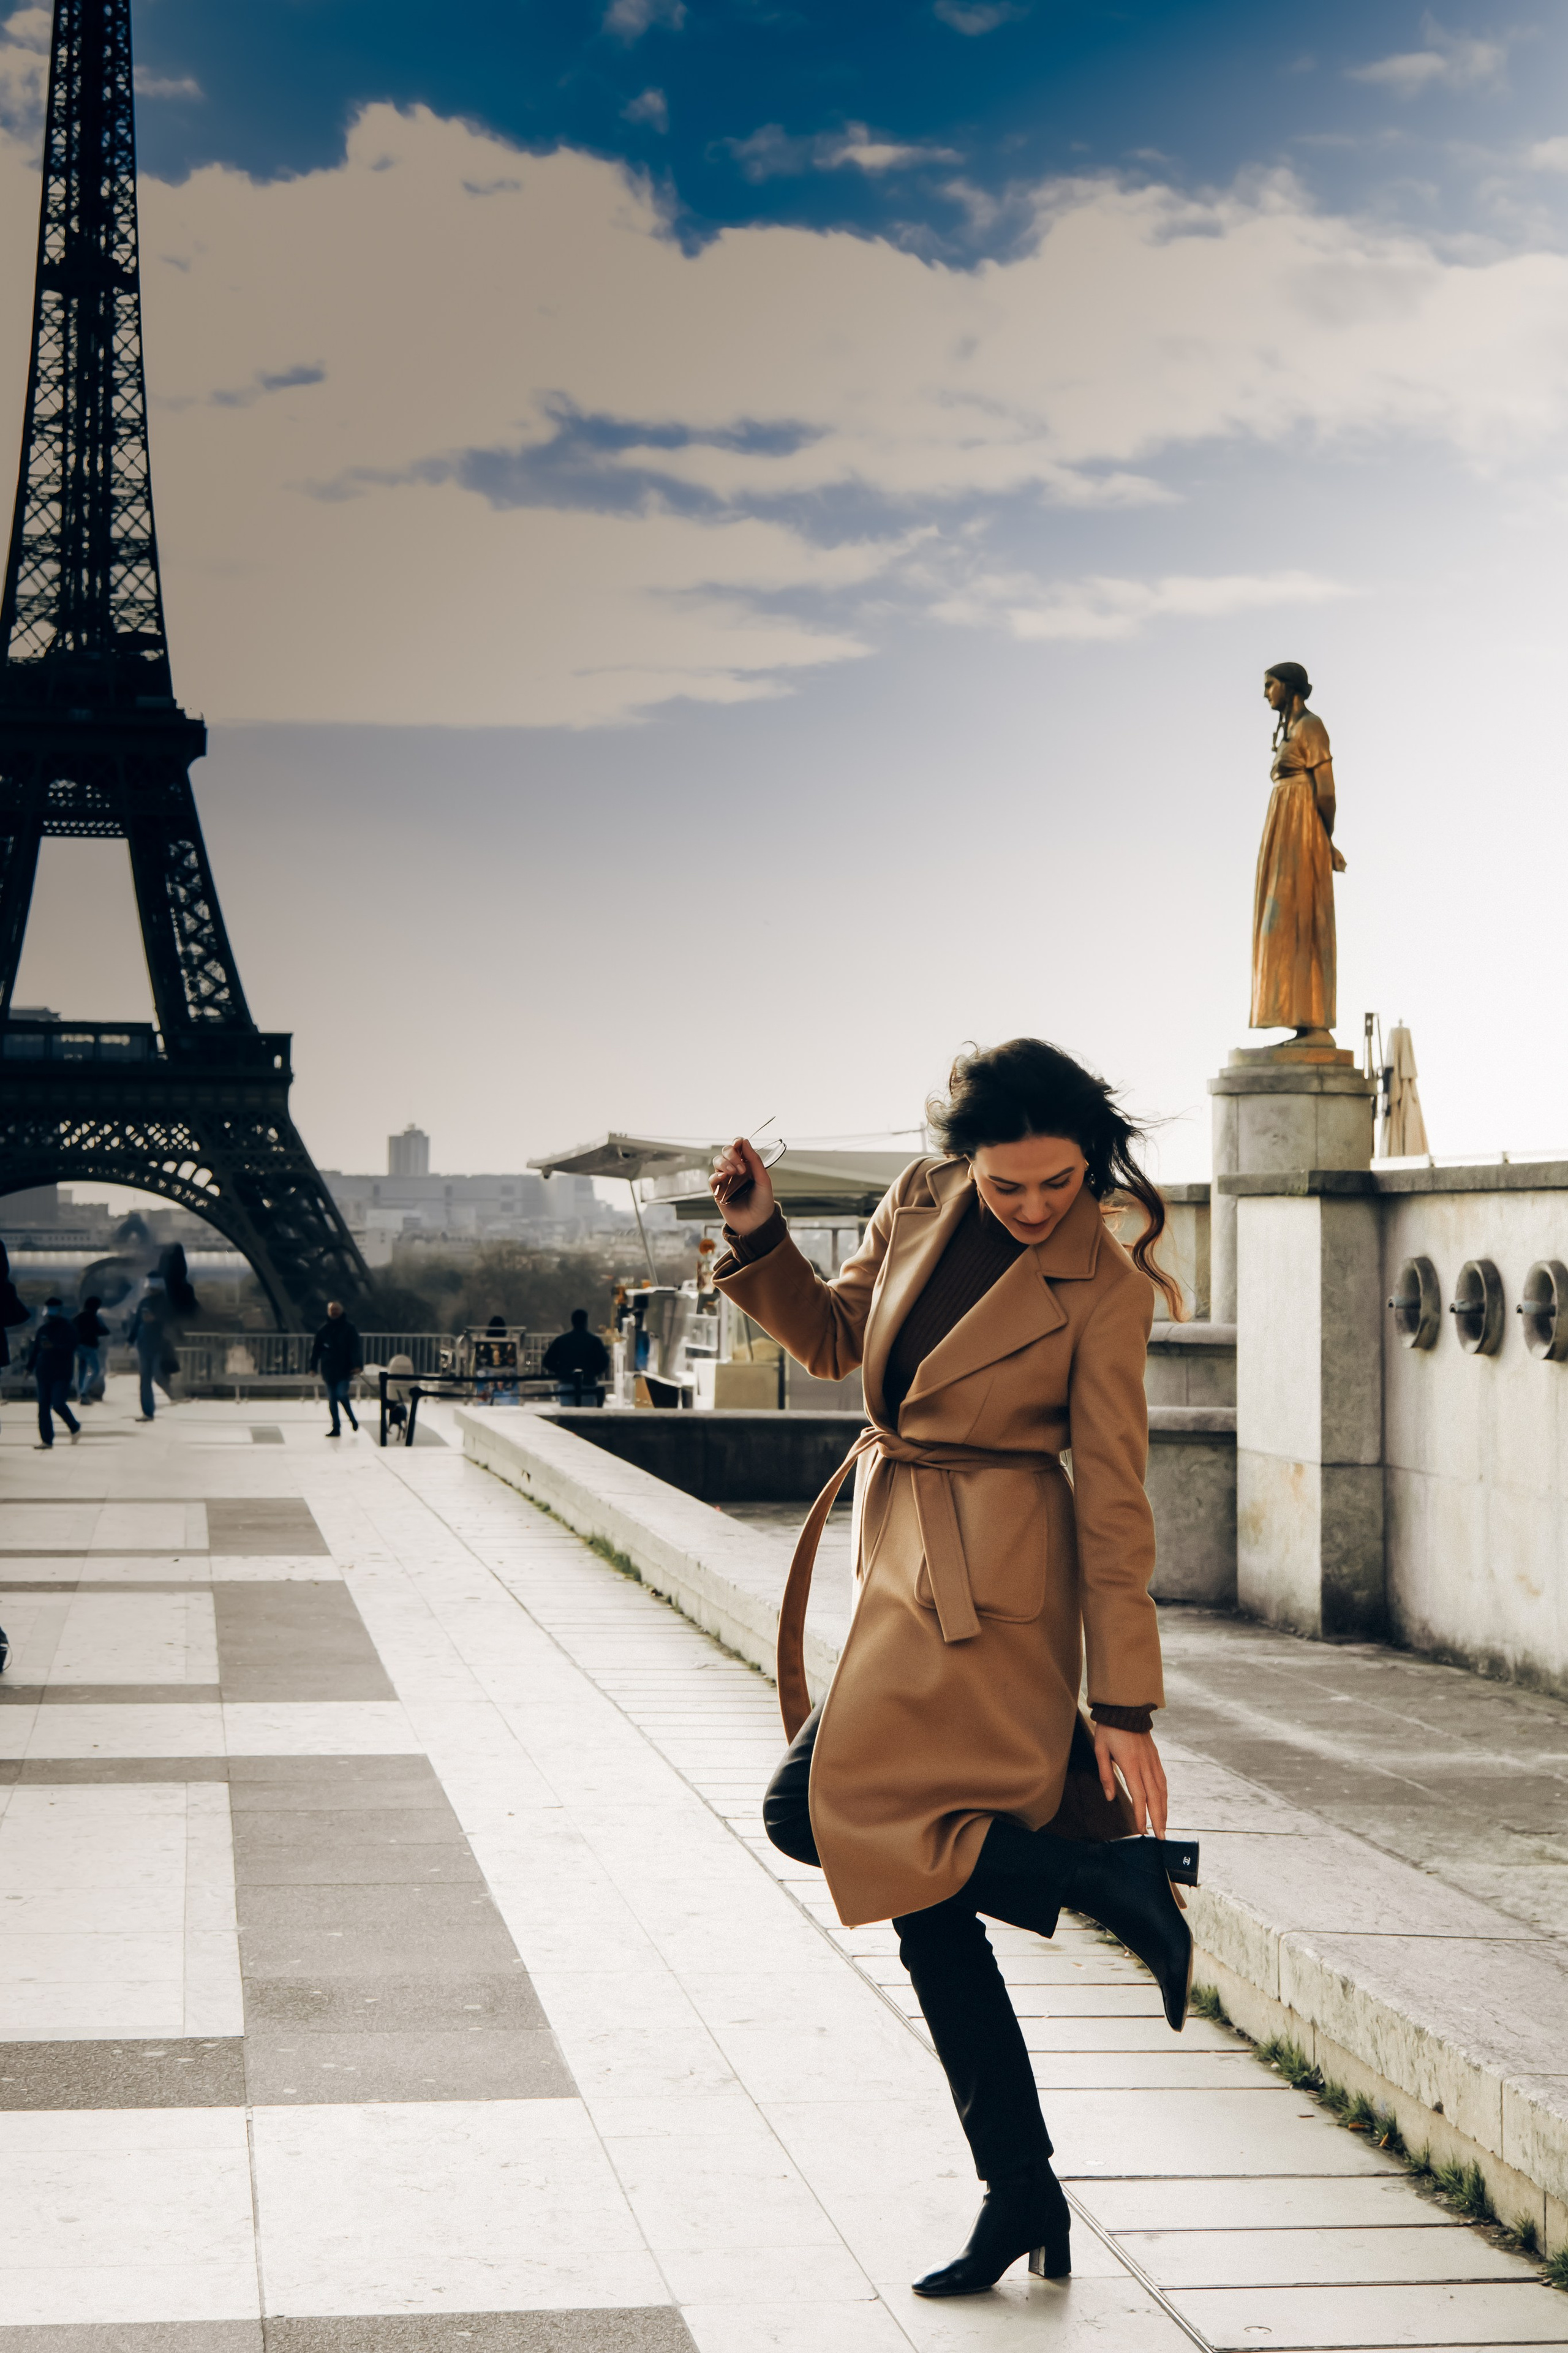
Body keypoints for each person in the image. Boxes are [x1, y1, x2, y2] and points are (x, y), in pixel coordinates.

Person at [709, 1038, 1196, 2299]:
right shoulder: (919, 1196)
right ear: (961, 1161)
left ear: (1093, 1164)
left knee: (806, 1812)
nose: (1034, 1207)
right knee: (920, 1896)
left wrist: (1122, 1702)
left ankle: (1102, 1879)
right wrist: (760, 1236)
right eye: (1007, 1183)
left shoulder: (1105, 1287)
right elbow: (836, 1341)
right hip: (901, 1566)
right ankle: (1020, 2186)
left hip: (995, 1607)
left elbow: (1116, 1500)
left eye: (1061, 1183)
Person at [1251, 661, 1347, 1042]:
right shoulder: (1290, 731)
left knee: (1303, 918)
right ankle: (1296, 1016)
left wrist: (1324, 838)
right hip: (1283, 830)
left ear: (1288, 687)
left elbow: (1327, 791)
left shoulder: (1311, 726)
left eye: (1270, 684)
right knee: (1280, 922)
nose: (1265, 693)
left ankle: (1314, 1020)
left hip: (1303, 827)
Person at [28, 1296, 81, 1448]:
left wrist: (55, 1347)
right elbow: (36, 1350)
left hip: (62, 1373)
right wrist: (29, 1368)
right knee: (43, 1407)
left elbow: (71, 1347)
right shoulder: (43, 1329)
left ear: (60, 1311)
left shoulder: (69, 1328)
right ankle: (47, 1440)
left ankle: (74, 1426)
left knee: (58, 1404)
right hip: (43, 1372)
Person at [310, 1301, 363, 1436]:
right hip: (329, 1371)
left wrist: (358, 1365)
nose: (334, 1312)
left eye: (336, 1309)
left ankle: (351, 1420)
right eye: (332, 1310)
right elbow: (316, 1350)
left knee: (340, 1395)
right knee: (333, 1400)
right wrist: (313, 1367)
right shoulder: (324, 1330)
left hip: (344, 1370)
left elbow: (355, 1348)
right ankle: (337, 1428)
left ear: (341, 1311)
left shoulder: (348, 1329)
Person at [126, 1279, 177, 1421]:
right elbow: (137, 1322)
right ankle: (148, 1412)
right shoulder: (145, 1302)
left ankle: (173, 1394)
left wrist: (156, 1319)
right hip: (144, 1345)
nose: (151, 1291)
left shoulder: (166, 1303)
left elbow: (171, 1321)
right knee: (145, 1380)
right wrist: (130, 1340)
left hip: (160, 1345)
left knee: (158, 1375)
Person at [541, 1307, 609, 1406]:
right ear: (586, 1322)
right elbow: (604, 1362)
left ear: (572, 1322)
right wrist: (593, 1373)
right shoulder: (594, 1341)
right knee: (587, 1413)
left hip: (566, 1384)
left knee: (567, 1413)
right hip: (588, 1383)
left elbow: (547, 1361)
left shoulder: (561, 1340)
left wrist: (561, 1371)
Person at [74, 1295, 109, 1403]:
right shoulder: (94, 1317)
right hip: (89, 1347)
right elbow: (104, 1331)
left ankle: (80, 1395)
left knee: (82, 1371)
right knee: (96, 1370)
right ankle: (84, 1392)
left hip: (78, 1347)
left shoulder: (78, 1317)